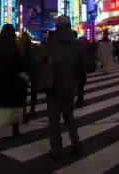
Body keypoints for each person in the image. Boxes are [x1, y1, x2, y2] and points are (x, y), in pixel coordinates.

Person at [42, 16, 84, 160]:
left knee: (54, 121)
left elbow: (39, 59)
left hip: (52, 86)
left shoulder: (51, 43)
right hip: (70, 86)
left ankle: (57, 150)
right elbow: (87, 65)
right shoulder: (76, 43)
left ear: (57, 26)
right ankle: (76, 144)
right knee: (69, 117)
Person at [0, 24, 27, 149]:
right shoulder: (15, 47)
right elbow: (20, 65)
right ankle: (15, 130)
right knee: (14, 106)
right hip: (11, 82)